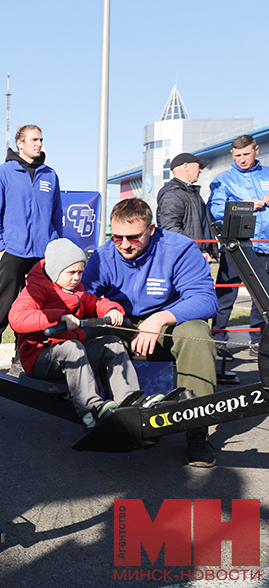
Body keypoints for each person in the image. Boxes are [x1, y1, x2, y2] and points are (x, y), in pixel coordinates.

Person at [83, 198, 219, 467]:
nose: (123, 245)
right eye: (117, 236)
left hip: (167, 325)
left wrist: (159, 319)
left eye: (133, 237)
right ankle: (97, 411)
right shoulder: (103, 255)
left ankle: (198, 431)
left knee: (198, 333)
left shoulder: (180, 249)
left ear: (152, 229)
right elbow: (84, 299)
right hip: (122, 324)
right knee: (83, 330)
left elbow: (206, 299)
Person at [9, 238, 142, 428]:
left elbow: (94, 303)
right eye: (71, 272)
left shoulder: (75, 289)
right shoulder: (36, 288)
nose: (77, 278)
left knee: (111, 342)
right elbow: (17, 318)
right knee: (72, 347)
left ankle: (129, 401)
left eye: (80, 272)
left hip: (72, 350)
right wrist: (58, 317)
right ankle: (91, 410)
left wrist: (112, 310)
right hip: (40, 356)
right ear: (56, 271)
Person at [0, 125, 63, 374]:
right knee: (3, 305)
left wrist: (55, 247)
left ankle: (21, 356)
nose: (39, 144)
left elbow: (56, 215)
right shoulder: (3, 173)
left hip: (43, 256)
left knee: (35, 308)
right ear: (20, 143)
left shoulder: (50, 175)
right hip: (13, 252)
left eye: (41, 139)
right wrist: (1, 247)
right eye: (34, 139)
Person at [207, 135, 269, 359]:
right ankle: (219, 341)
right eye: (238, 155)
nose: (243, 159)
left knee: (263, 296)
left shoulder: (268, 173)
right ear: (232, 153)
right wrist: (246, 206)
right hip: (238, 246)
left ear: (256, 151)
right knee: (226, 295)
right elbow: (215, 212)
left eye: (247, 154)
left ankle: (258, 342)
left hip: (266, 245)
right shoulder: (224, 180)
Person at [156, 153, 215, 261]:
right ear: (186, 167)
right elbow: (170, 228)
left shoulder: (190, 192)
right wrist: (196, 250)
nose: (201, 171)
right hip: (185, 256)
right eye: (198, 166)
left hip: (193, 255)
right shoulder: (173, 193)